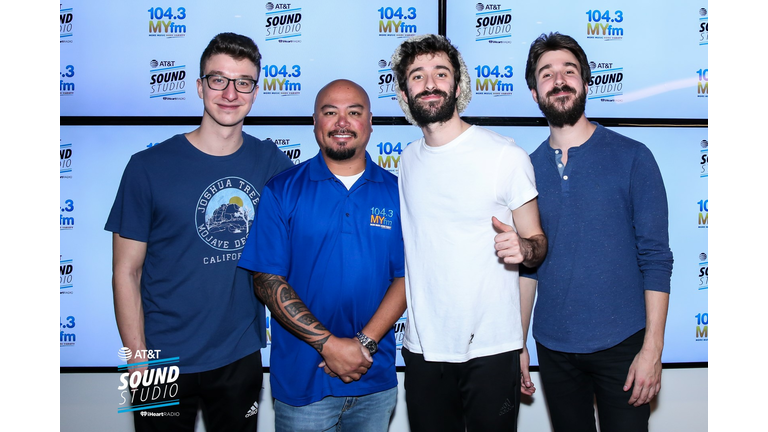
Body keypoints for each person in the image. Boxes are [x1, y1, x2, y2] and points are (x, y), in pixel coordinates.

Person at [106, 32, 293, 431]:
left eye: (243, 82)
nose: (230, 92)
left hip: (239, 354)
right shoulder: (147, 167)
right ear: (199, 86)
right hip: (157, 362)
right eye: (218, 79)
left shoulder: (271, 161)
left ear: (255, 92)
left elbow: (319, 202)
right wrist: (136, 357)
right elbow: (126, 271)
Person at [390, 34, 547, 432]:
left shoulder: (504, 156)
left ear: (457, 87)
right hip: (423, 349)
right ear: (405, 93)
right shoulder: (407, 160)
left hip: (492, 348)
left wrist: (522, 247)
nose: (430, 84)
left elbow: (538, 244)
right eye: (417, 76)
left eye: (440, 74)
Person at [520, 32, 674, 432]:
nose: (559, 80)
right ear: (535, 93)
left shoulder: (633, 156)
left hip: (624, 345)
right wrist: (518, 342)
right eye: (547, 73)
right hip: (553, 348)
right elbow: (526, 268)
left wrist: (652, 348)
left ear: (586, 83)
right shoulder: (523, 170)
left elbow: (656, 258)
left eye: (569, 71)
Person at [237, 79, 406, 432]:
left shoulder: (398, 192)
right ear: (315, 122)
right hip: (302, 383)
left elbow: (407, 277)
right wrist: (329, 346)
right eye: (330, 113)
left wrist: (361, 346)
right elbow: (266, 280)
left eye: (354, 113)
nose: (342, 122)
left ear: (370, 122)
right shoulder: (282, 190)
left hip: (374, 380)